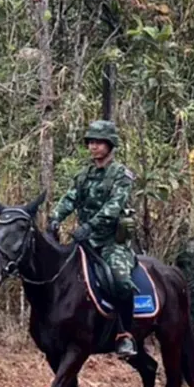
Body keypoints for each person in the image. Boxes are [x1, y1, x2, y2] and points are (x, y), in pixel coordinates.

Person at [49, 120, 138, 358]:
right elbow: (70, 198)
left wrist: (89, 226)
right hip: (84, 242)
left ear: (110, 145)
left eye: (99, 142)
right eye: (91, 142)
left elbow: (113, 207)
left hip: (110, 242)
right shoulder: (84, 174)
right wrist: (55, 218)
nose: (93, 147)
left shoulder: (121, 175)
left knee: (121, 281)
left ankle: (125, 335)